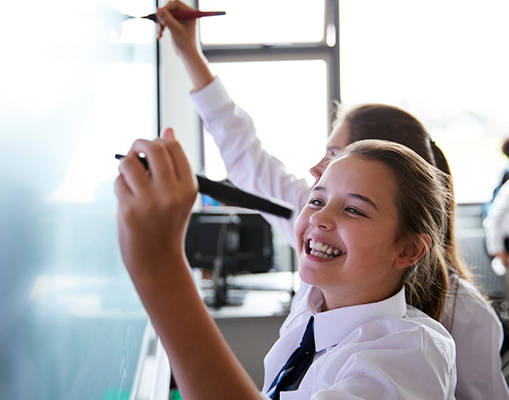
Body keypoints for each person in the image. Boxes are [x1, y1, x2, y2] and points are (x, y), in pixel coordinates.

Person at [154, 2, 509, 398]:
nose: (315, 170)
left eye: (335, 155)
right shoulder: (319, 277)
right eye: (319, 199)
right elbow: (246, 157)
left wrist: (158, 265)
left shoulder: (431, 335)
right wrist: (189, 52)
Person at [115, 134, 456, 398]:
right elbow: (252, 162)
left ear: (410, 249)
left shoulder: (410, 354)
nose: (319, 217)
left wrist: (160, 269)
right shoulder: (313, 305)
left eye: (354, 210)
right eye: (317, 200)